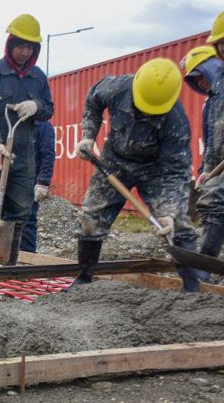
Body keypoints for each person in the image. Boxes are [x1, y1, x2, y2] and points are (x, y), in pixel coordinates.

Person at [70, 58, 200, 292]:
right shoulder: (116, 88)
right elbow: (93, 101)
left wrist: (168, 213)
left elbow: (176, 172)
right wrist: (88, 135)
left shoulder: (176, 121)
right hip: (114, 161)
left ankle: (192, 287)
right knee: (91, 219)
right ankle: (83, 278)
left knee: (178, 225)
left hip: (155, 169)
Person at [0, 13, 54, 266]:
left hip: (24, 154)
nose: (25, 52)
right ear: (10, 43)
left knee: (21, 207)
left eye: (31, 47)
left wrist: (36, 105)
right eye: (21, 46)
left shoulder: (38, 77)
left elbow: (49, 109)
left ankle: (10, 262)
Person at [192, 11, 224, 276]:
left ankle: (202, 268)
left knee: (214, 201)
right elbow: (214, 138)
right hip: (221, 164)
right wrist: (206, 169)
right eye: (221, 43)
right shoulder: (219, 87)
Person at [19, 120, 56, 253]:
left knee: (27, 219)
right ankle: (5, 255)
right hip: (12, 177)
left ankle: (27, 257)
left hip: (30, 179)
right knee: (7, 217)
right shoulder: (12, 123)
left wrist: (43, 182)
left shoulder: (43, 126)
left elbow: (48, 155)